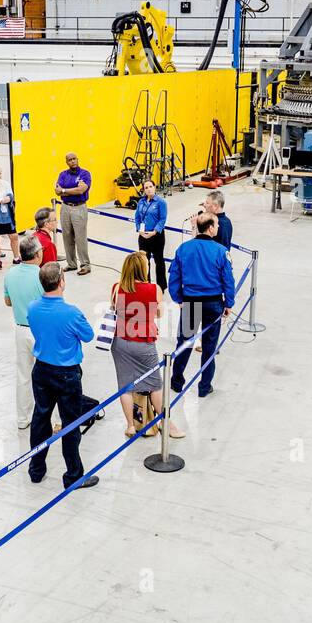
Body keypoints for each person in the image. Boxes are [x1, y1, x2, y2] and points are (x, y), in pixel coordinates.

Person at [26, 262, 96, 490]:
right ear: (61, 282)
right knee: (70, 425)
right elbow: (88, 335)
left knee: (40, 419)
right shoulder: (72, 312)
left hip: (42, 369)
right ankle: (74, 474)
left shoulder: (33, 308)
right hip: (67, 374)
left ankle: (36, 469)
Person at [110, 250, 181, 440]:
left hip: (120, 342)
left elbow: (114, 308)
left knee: (126, 386)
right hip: (143, 343)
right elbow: (159, 314)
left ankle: (131, 425)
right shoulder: (153, 289)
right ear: (143, 269)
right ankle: (167, 423)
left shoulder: (117, 287)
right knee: (155, 385)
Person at [167, 213, 234, 399]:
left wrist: (179, 299)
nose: (219, 228)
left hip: (191, 303)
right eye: (217, 225)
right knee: (209, 346)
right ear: (210, 228)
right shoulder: (221, 251)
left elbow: (174, 277)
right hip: (213, 304)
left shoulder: (183, 249)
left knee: (184, 343)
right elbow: (228, 280)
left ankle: (176, 382)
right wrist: (229, 303)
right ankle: (204, 387)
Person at [3, 235, 45, 430]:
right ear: (37, 254)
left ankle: (23, 418)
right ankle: (46, 417)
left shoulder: (10, 274)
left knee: (23, 375)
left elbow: (8, 301)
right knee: (47, 376)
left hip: (21, 329)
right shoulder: (42, 275)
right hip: (41, 331)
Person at [55, 152, 92, 274]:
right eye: (70, 160)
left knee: (80, 237)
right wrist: (73, 190)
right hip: (65, 208)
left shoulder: (85, 174)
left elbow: (81, 190)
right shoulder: (63, 174)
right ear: (66, 162)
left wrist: (65, 190)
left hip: (79, 208)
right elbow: (57, 191)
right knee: (67, 236)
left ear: (77, 159)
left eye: (74, 159)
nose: (72, 161)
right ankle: (71, 263)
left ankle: (85, 265)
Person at [134, 179, 168, 289]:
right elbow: (137, 217)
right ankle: (145, 285)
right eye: (146, 188)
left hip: (156, 236)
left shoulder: (160, 202)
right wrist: (139, 229)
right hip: (143, 236)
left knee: (159, 261)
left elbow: (162, 219)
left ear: (155, 187)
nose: (148, 189)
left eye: (150, 187)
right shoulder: (141, 202)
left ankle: (161, 286)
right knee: (144, 261)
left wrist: (154, 232)